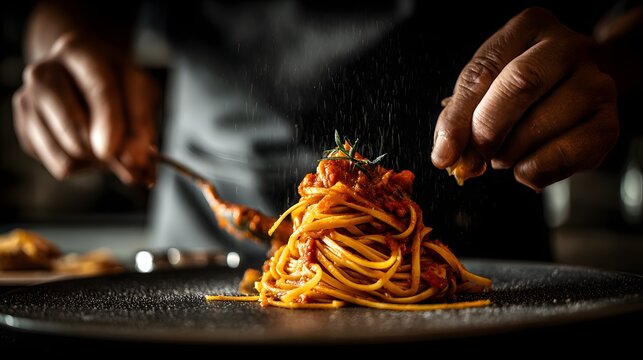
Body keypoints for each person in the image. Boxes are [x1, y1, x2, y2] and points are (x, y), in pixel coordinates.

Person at [11, 0, 642, 267]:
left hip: (482, 245)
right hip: (207, 250)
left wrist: (608, 69)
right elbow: (60, 8)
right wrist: (69, 53)